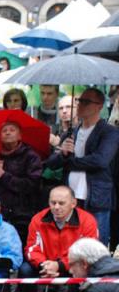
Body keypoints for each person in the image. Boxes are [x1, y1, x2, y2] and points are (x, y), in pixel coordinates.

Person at [47, 88, 119, 246]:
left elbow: (100, 161)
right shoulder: (73, 131)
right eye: (79, 101)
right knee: (70, 244)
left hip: (96, 198)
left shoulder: (109, 132)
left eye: (86, 102)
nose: (79, 105)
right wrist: (63, 154)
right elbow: (51, 163)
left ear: (99, 106)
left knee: (95, 246)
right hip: (70, 197)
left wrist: (70, 161)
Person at [19, 186, 99, 292]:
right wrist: (44, 264)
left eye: (61, 203)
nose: (56, 207)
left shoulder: (88, 221)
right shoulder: (38, 219)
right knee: (25, 270)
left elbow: (89, 251)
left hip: (75, 265)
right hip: (46, 264)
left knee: (89, 270)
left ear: (73, 203)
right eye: (52, 203)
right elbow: (31, 248)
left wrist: (60, 264)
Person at [0, 121, 42, 244]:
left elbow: (32, 185)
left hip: (23, 212)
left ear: (20, 136)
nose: (8, 133)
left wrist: (4, 176)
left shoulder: (30, 156)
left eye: (12, 130)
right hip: (0, 212)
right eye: (4, 131)